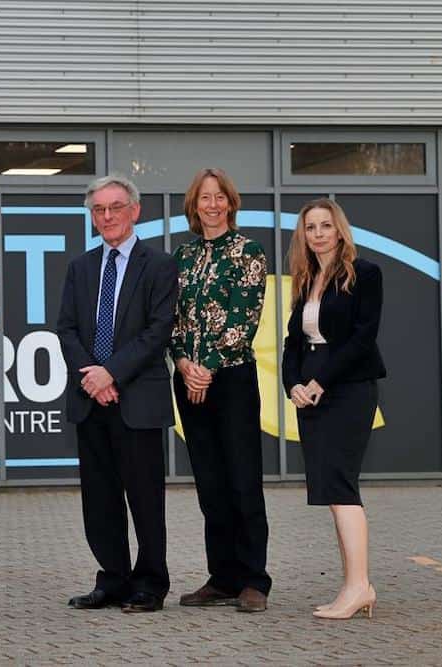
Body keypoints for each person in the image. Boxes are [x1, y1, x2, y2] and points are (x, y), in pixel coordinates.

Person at [56, 174, 178, 613]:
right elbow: (66, 328)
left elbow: (158, 331)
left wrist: (111, 374)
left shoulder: (160, 265)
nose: (107, 217)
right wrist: (92, 377)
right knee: (100, 498)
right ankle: (112, 579)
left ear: (135, 210)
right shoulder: (81, 267)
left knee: (145, 499)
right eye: (98, 210)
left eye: (115, 208)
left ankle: (149, 584)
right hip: (91, 400)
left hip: (136, 401)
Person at [170, 167, 272, 613]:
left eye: (219, 197)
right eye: (203, 198)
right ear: (193, 206)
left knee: (242, 480)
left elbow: (242, 320)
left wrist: (205, 369)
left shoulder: (249, 252)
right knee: (210, 483)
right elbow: (169, 319)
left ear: (230, 203)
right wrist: (183, 362)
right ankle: (223, 577)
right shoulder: (182, 256)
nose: (211, 204)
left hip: (229, 379)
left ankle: (254, 580)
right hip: (188, 377)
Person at [283, 198, 385, 620]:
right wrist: (293, 385)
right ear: (303, 235)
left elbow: (362, 339)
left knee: (341, 487)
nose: (319, 233)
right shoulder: (306, 279)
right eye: (311, 227)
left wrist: (321, 382)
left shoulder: (366, 274)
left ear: (340, 230)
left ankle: (359, 586)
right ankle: (354, 584)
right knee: (332, 491)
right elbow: (293, 342)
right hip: (310, 392)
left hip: (348, 390)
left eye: (326, 225)